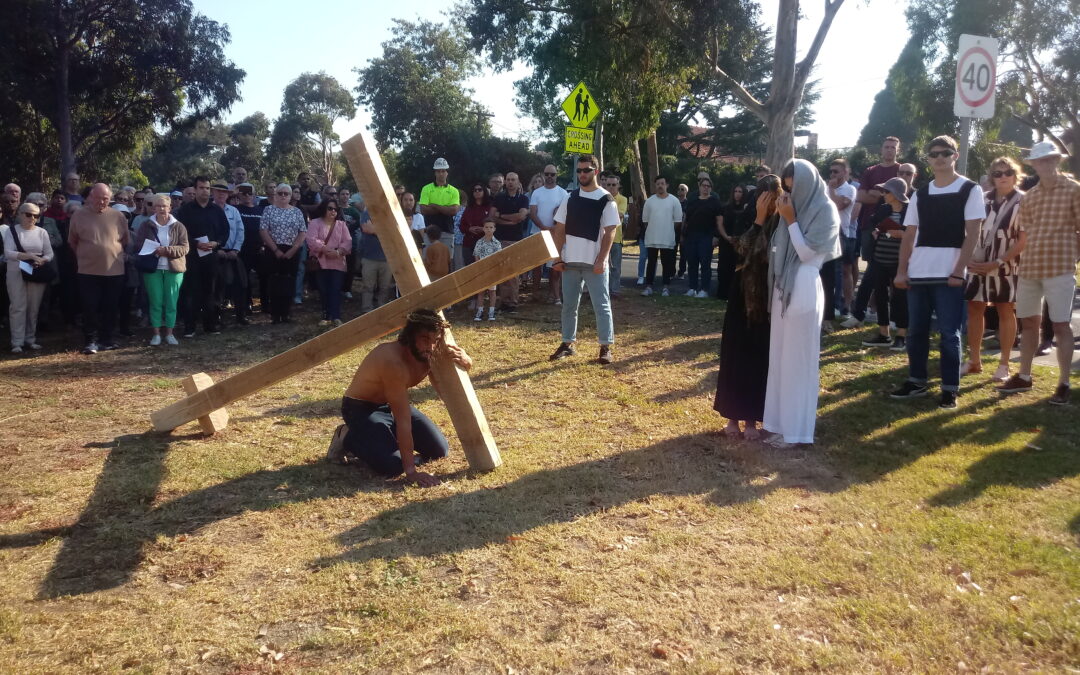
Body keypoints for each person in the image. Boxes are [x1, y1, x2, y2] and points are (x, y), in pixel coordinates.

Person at [327, 309, 472, 487]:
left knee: (439, 450)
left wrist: (467, 362)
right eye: (425, 339)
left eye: (435, 340)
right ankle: (346, 436)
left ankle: (382, 438)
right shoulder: (392, 361)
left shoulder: (429, 353)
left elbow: (445, 392)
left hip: (390, 403)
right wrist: (411, 472)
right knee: (393, 466)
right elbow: (404, 421)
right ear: (410, 336)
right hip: (361, 408)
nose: (431, 346)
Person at [891, 135, 984, 409]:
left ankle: (949, 388)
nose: (940, 157)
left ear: (955, 155)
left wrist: (959, 271)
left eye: (945, 153)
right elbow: (909, 236)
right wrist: (901, 271)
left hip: (949, 276)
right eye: (934, 154)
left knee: (949, 333)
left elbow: (973, 233)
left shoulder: (970, 189)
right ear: (928, 159)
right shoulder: (920, 194)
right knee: (916, 331)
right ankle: (917, 380)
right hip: (918, 273)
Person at [764, 159, 841, 446]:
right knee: (780, 359)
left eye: (794, 188)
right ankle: (779, 425)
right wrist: (784, 217)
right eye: (787, 189)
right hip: (784, 289)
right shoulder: (790, 212)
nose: (789, 195)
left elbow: (808, 254)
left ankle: (797, 431)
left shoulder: (825, 210)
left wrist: (791, 219)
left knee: (798, 361)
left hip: (805, 286)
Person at [997, 141, 1080, 405]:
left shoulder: (1073, 190)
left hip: (1060, 265)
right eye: (1039, 161)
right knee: (1029, 323)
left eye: (1049, 159)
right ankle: (1024, 375)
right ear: (1033, 165)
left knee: (1060, 325)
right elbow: (1027, 232)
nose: (1044, 164)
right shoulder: (1030, 196)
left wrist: (1073, 256)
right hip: (1031, 266)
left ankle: (1064, 382)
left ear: (1057, 161)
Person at [714, 175, 782, 439]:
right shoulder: (748, 217)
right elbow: (741, 248)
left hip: (768, 295)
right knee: (736, 354)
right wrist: (759, 219)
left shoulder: (784, 221)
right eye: (767, 196)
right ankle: (732, 416)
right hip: (743, 294)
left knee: (759, 357)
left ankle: (753, 419)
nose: (772, 201)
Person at [549, 154, 620, 364]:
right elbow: (559, 229)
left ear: (595, 171)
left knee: (602, 305)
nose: (582, 174)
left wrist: (601, 260)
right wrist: (557, 257)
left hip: (594, 264)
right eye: (579, 170)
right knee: (569, 305)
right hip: (570, 262)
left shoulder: (606, 199)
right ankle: (567, 343)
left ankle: (605, 346)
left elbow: (610, 232)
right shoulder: (570, 197)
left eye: (586, 170)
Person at [961, 157, 1026, 381]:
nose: (1003, 177)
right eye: (997, 173)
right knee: (974, 308)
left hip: (1006, 265)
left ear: (1016, 175)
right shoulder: (983, 200)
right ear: (991, 177)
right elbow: (969, 231)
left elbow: (1024, 239)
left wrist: (998, 262)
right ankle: (974, 361)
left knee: (1005, 309)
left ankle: (1004, 364)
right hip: (978, 263)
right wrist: (967, 259)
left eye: (1007, 172)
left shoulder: (1024, 201)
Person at [844, 137, 903, 327]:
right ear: (881, 149)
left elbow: (905, 196)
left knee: (895, 273)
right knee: (872, 269)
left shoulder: (901, 170)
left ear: (897, 150)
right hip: (871, 225)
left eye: (893, 148)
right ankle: (863, 312)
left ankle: (892, 316)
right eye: (886, 147)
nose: (889, 150)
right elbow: (860, 196)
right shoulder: (871, 171)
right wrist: (884, 196)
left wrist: (875, 194)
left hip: (899, 226)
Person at [68, 183, 130, 354]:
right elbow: (72, 241)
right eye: (98, 198)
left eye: (106, 199)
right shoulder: (79, 215)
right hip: (88, 271)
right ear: (90, 197)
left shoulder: (118, 216)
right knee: (90, 307)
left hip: (114, 270)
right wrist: (88, 254)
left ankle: (107, 339)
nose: (102, 201)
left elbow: (124, 240)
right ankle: (91, 341)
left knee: (110, 306)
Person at [859, 177, 910, 351]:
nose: (883, 194)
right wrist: (875, 230)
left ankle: (901, 335)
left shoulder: (910, 211)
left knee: (900, 298)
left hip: (899, 261)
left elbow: (916, 233)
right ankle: (884, 334)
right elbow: (873, 222)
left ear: (896, 194)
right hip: (879, 259)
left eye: (886, 191)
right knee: (880, 295)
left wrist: (903, 234)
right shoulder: (883, 209)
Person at [132, 194, 189, 346]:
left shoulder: (178, 226)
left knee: (171, 302)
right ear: (154, 208)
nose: (162, 209)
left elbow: (185, 247)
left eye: (164, 206)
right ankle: (156, 334)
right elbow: (138, 246)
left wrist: (167, 250)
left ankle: (170, 333)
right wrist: (154, 250)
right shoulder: (146, 225)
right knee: (155, 301)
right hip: (153, 268)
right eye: (158, 206)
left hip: (173, 269)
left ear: (170, 208)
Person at [175, 177, 229, 337]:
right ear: (195, 189)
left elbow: (225, 231)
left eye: (207, 188)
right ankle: (189, 327)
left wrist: (216, 243)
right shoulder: (186, 210)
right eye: (201, 188)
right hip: (192, 256)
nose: (204, 191)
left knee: (210, 291)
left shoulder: (216, 210)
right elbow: (180, 233)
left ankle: (210, 325)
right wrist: (195, 243)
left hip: (211, 256)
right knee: (191, 291)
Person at [3, 202, 54, 352]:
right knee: (18, 306)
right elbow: (8, 253)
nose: (32, 218)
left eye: (36, 215)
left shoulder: (41, 232)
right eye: (28, 214)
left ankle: (30, 338)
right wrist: (28, 256)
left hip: (35, 271)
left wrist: (42, 260)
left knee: (34, 307)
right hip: (16, 271)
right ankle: (17, 342)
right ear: (20, 214)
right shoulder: (11, 231)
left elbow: (49, 253)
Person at [258, 183, 307, 324]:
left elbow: (303, 232)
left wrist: (293, 249)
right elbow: (263, 230)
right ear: (275, 194)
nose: (283, 196)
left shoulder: (297, 212)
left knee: (289, 281)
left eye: (286, 193)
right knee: (274, 281)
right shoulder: (268, 210)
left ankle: (286, 313)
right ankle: (275, 314)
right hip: (273, 249)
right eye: (280, 193)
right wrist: (275, 250)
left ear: (291, 196)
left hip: (292, 250)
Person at [306, 199, 352, 327]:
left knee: (335, 289)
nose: (333, 211)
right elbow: (311, 239)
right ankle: (326, 316)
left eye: (335, 209)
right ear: (323, 209)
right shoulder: (315, 223)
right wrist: (326, 250)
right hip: (321, 261)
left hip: (338, 262)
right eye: (330, 208)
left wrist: (338, 252)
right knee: (324, 289)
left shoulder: (342, 225)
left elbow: (348, 242)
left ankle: (336, 316)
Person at [529, 166, 569, 303]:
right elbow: (532, 213)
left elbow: (565, 215)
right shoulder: (537, 193)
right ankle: (535, 293)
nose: (550, 176)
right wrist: (544, 227)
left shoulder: (563, 193)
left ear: (556, 175)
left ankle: (553, 294)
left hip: (556, 236)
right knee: (536, 267)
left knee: (554, 268)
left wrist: (555, 229)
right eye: (547, 174)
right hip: (538, 233)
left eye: (552, 174)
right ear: (544, 175)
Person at [211, 181, 248, 327]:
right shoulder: (209, 210)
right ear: (213, 193)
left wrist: (236, 250)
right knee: (218, 287)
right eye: (218, 191)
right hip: (216, 253)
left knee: (241, 284)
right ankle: (217, 318)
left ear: (228, 194)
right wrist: (216, 250)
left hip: (233, 253)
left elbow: (240, 231)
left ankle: (241, 316)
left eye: (224, 192)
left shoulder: (234, 211)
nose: (221, 194)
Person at [491, 171, 529, 312]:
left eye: (513, 179)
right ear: (505, 182)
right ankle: (503, 302)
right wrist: (508, 221)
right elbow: (492, 216)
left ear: (518, 182)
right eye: (508, 180)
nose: (511, 182)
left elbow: (521, 216)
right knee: (501, 272)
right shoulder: (499, 198)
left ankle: (512, 302)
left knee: (513, 273)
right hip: (499, 238)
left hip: (515, 239)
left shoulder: (523, 199)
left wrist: (501, 216)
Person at [640, 177, 682, 296]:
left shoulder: (674, 200)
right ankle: (648, 287)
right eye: (658, 184)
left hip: (667, 238)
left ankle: (666, 287)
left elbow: (678, 220)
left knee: (666, 263)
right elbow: (645, 220)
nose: (660, 186)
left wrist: (668, 229)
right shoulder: (649, 201)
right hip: (652, 237)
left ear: (667, 185)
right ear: (655, 186)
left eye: (662, 183)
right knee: (651, 262)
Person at [682, 174, 723, 298]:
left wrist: (716, 236)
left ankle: (704, 289)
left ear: (711, 188)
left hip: (707, 236)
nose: (706, 188)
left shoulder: (715, 202)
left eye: (708, 186)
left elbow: (719, 221)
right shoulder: (692, 201)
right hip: (691, 235)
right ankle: (692, 288)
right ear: (699, 187)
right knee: (692, 263)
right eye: (703, 186)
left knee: (705, 264)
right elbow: (686, 219)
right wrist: (683, 234)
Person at [827, 159, 858, 319]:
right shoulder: (826, 188)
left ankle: (845, 305)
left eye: (836, 171)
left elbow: (839, 205)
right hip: (827, 233)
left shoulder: (850, 189)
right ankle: (831, 304)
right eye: (831, 171)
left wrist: (831, 191)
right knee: (830, 272)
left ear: (846, 172)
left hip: (843, 234)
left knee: (844, 271)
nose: (832, 174)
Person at [716, 184, 751, 300]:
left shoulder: (747, 208)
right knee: (724, 268)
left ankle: (735, 296)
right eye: (735, 191)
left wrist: (740, 239)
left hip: (741, 243)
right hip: (726, 242)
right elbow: (720, 224)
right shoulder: (725, 207)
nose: (737, 193)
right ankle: (722, 294)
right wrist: (726, 237)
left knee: (738, 269)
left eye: (740, 191)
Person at [235, 183, 266, 314]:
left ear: (254, 195)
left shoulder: (261, 210)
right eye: (244, 193)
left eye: (250, 193)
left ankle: (265, 304)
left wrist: (265, 244)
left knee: (264, 277)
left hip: (260, 249)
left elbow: (266, 229)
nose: (247, 195)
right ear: (239, 194)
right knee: (244, 279)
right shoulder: (235, 209)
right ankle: (247, 305)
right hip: (242, 250)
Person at [419, 158, 460, 255]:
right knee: (428, 262)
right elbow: (423, 210)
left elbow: (454, 211)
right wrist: (445, 208)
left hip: (447, 231)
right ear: (435, 173)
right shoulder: (426, 188)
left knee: (447, 262)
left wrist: (434, 205)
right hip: (429, 233)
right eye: (438, 171)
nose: (441, 173)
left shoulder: (454, 190)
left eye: (443, 171)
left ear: (447, 173)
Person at [358, 202, 393, 314]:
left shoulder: (390, 213)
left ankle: (382, 310)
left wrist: (375, 230)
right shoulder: (367, 212)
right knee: (368, 286)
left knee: (385, 287)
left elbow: (393, 232)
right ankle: (367, 311)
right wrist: (384, 231)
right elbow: (366, 228)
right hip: (369, 257)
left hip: (387, 258)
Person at [602, 174, 629, 298]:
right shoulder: (600, 198)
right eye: (609, 185)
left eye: (614, 185)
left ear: (618, 186)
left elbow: (620, 214)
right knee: (602, 265)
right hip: (601, 238)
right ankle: (603, 290)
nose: (611, 187)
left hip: (616, 238)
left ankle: (615, 290)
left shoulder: (623, 199)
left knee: (615, 267)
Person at [472, 220, 502, 321]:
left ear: (494, 229)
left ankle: (491, 312)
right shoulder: (479, 242)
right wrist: (478, 268)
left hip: (492, 271)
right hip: (481, 271)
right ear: (483, 228)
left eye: (491, 227)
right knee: (481, 292)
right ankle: (480, 311)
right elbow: (476, 256)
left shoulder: (497, 243)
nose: (489, 229)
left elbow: (499, 257)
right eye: (486, 227)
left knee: (492, 291)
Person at [460, 183, 492, 268]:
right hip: (469, 243)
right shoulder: (469, 208)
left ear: (484, 191)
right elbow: (462, 226)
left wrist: (484, 229)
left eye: (479, 189)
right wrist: (469, 229)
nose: (477, 192)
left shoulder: (490, 207)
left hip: (485, 243)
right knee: (469, 269)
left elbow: (495, 224)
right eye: (475, 190)